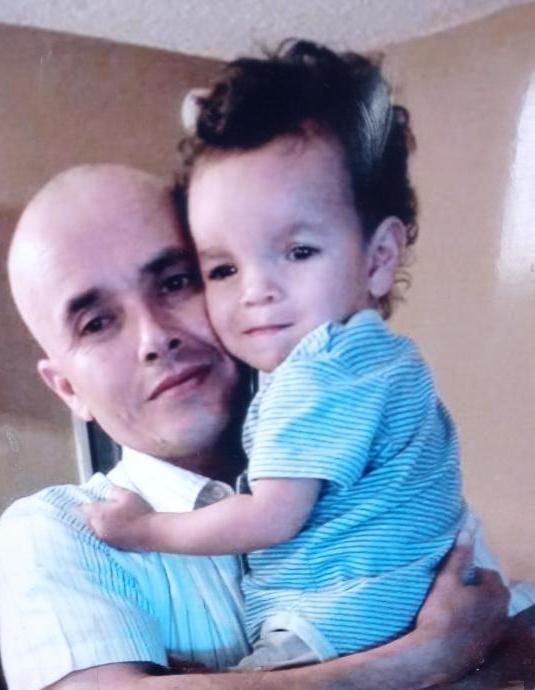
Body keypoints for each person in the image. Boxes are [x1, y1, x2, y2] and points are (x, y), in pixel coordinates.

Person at [0, 163, 527, 690]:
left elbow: (505, 626)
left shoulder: (373, 452)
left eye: (177, 282)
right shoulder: (58, 531)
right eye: (96, 323)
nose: (154, 337)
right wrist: (427, 656)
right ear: (67, 388)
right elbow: (473, 641)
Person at [84, 41, 466, 669]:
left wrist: (144, 530)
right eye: (223, 269)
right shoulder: (384, 358)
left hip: (337, 616)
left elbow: (271, 517)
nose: (256, 291)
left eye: (297, 252)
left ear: (378, 258)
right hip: (407, 593)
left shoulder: (316, 373)